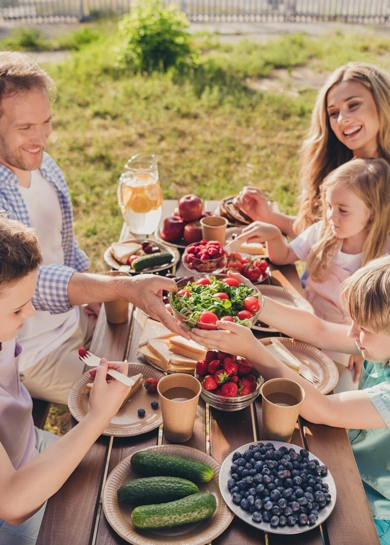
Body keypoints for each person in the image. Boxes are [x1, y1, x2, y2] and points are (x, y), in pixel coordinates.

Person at [0, 51, 188, 405]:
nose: (41, 137)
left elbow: (63, 242)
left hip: (72, 318)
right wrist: (119, 288)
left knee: (163, 358)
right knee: (134, 403)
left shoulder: (42, 164)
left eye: (46, 122)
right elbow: (28, 283)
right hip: (34, 352)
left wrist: (89, 286)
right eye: (25, 127)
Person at [190, 257, 390, 545]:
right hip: (346, 466)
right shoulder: (380, 342)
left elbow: (325, 410)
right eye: (353, 322)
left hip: (374, 511)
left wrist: (255, 351)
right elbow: (319, 330)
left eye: (363, 329)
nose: (351, 334)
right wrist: (254, 299)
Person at [0, 217, 133, 545]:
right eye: (17, 310)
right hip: (13, 504)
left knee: (116, 472)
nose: (29, 314)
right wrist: (97, 416)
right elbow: (13, 504)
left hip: (29, 448)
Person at [233, 157, 390, 390]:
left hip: (342, 340)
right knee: (263, 371)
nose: (331, 216)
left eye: (342, 210)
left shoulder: (382, 257)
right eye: (328, 206)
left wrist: (358, 347)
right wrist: (275, 236)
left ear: (372, 214)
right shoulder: (324, 233)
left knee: (315, 386)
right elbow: (284, 256)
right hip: (299, 320)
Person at [234, 62, 390, 239]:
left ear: (382, 103)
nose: (342, 119)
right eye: (333, 113)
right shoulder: (334, 168)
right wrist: (268, 217)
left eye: (353, 105)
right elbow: (319, 235)